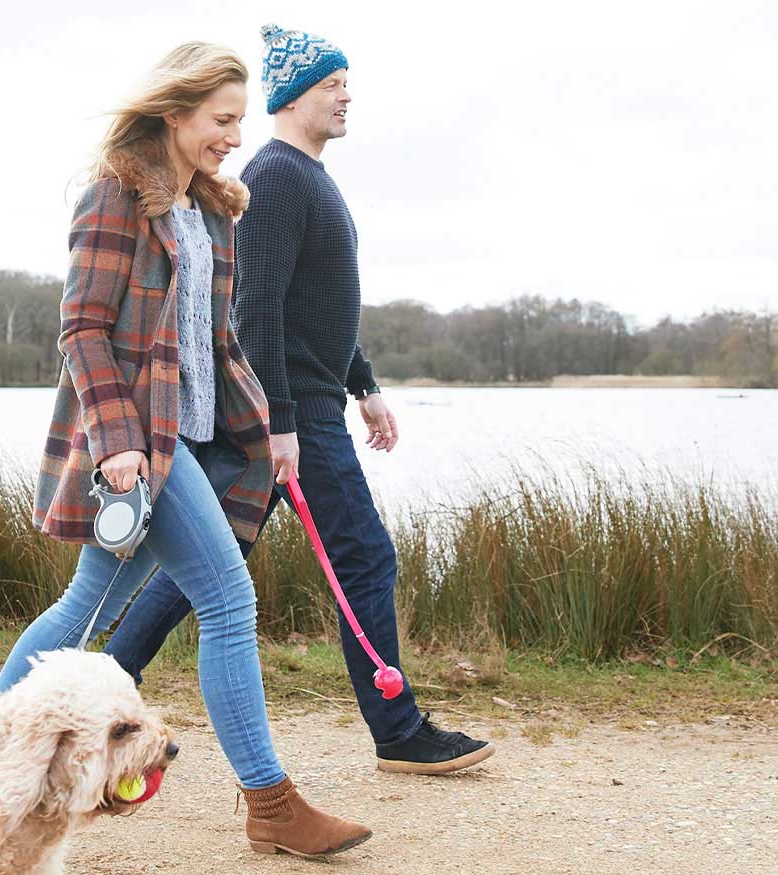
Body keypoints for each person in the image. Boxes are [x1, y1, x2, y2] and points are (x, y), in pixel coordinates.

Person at [0, 39, 371, 861]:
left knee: (79, 613)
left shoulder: (215, 208)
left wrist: (269, 427)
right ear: (174, 112)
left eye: (238, 120)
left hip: (195, 438)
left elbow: (218, 342)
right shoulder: (116, 195)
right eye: (222, 119)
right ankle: (270, 803)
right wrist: (118, 444)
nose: (235, 135)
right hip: (142, 446)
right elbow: (82, 331)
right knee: (228, 603)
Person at [98, 25, 495, 776]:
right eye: (331, 84)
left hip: (309, 401)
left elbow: (323, 307)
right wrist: (279, 422)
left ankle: (99, 691)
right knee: (365, 558)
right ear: (293, 95)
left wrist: (365, 384)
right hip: (291, 414)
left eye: (347, 83)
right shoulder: (278, 177)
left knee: (204, 568)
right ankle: (399, 730)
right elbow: (256, 311)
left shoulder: (308, 175)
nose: (346, 95)